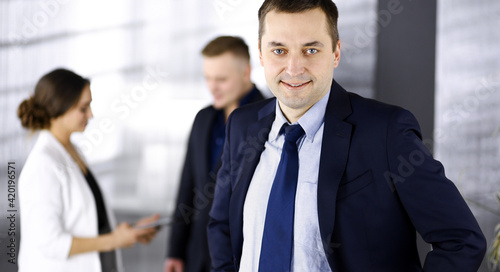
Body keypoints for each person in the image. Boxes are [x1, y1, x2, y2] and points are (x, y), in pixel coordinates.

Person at [207, 1, 487, 272]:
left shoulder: (387, 132)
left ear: (336, 52)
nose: (293, 68)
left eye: (311, 50)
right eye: (279, 50)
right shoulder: (242, 125)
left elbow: (461, 241)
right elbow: (222, 224)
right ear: (260, 54)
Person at [17, 68, 159, 272]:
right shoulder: (43, 165)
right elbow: (51, 243)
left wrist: (129, 231)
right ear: (59, 108)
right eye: (83, 108)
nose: (91, 115)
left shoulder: (72, 151)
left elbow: (86, 219)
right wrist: (114, 240)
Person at [164, 36, 264, 272]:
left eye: (221, 79)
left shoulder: (270, 118)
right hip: (197, 254)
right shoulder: (203, 118)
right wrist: (175, 251)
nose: (212, 87)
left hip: (242, 255)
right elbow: (187, 186)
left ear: (246, 72)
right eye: (207, 78)